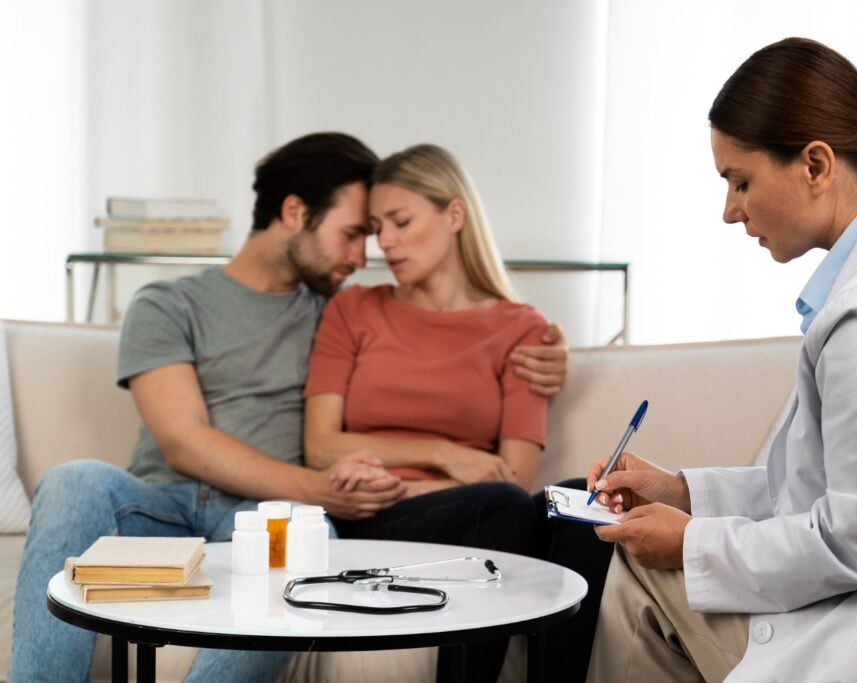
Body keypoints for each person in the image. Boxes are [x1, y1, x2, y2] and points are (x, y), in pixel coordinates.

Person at [9, 132, 569, 683]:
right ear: (296, 212)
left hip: (270, 515)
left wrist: (547, 347)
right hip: (161, 505)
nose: (364, 256)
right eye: (353, 234)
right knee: (72, 480)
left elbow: (430, 338)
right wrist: (320, 490)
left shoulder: (335, 309)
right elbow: (184, 442)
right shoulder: (167, 303)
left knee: (312, 538)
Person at [585, 37, 857, 683]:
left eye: (741, 181)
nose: (730, 210)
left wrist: (691, 542)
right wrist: (683, 492)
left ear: (816, 164)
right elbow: (830, 488)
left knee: (636, 575)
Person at [303, 143, 613, 682]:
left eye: (401, 221)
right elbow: (320, 445)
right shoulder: (352, 309)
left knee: (583, 503)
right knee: (498, 506)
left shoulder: (522, 329)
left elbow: (514, 475)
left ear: (453, 214)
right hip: (376, 512)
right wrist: (443, 455)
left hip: (484, 514)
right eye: (377, 227)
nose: (385, 242)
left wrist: (456, 483)